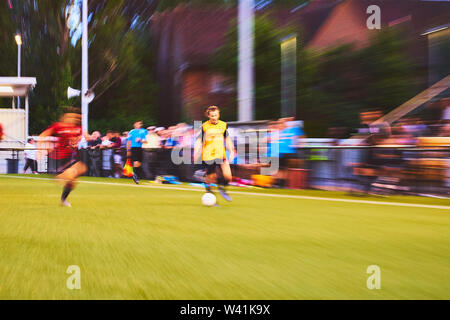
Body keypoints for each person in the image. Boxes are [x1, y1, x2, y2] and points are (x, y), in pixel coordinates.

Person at [37, 109, 87, 207]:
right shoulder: (58, 126)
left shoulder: (78, 128)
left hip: (71, 155)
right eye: (70, 116)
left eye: (75, 117)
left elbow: (77, 140)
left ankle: (63, 199)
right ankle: (58, 177)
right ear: (65, 118)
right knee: (71, 176)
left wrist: (76, 142)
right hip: (60, 156)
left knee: (76, 176)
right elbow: (43, 135)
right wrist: (40, 148)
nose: (73, 118)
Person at [194, 105, 236, 202]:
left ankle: (222, 188)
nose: (214, 117)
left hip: (221, 153)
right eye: (212, 115)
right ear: (208, 116)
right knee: (211, 177)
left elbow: (227, 139)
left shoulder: (223, 125)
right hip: (209, 155)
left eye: (215, 115)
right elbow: (198, 140)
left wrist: (232, 150)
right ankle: (209, 194)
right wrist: (196, 151)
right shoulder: (204, 126)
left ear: (218, 115)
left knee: (228, 176)